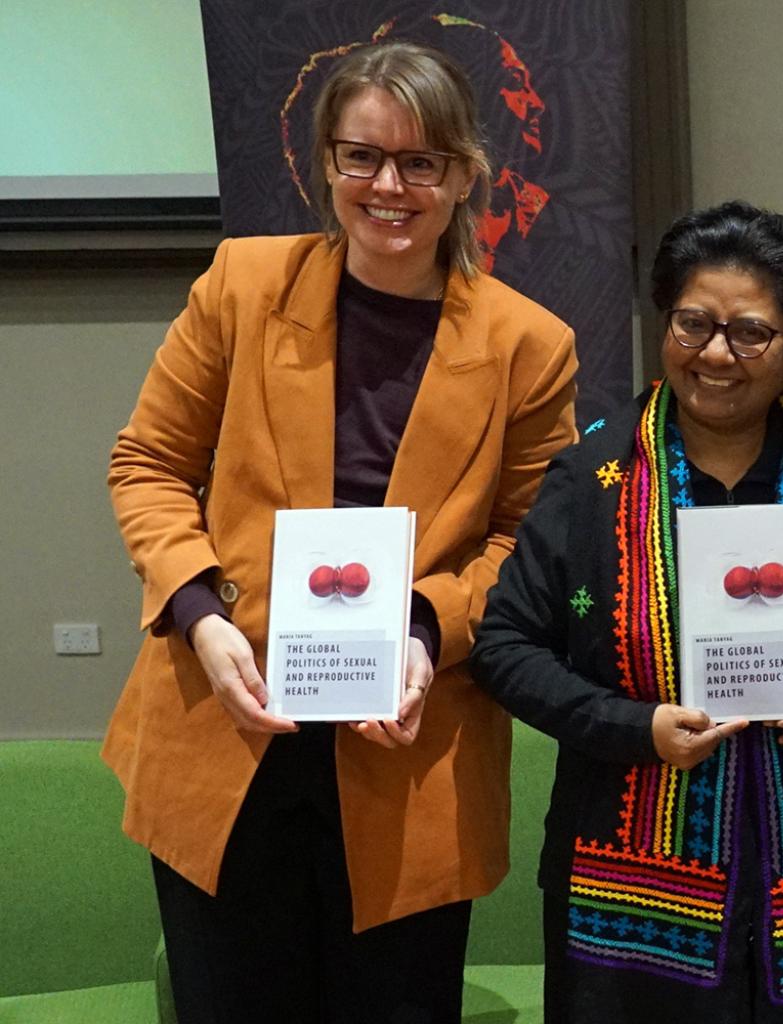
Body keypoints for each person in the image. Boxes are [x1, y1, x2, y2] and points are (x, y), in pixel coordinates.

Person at [104, 40, 578, 1023]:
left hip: (405, 746)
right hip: (229, 724)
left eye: (420, 162)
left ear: (462, 175)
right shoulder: (240, 285)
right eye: (362, 156)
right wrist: (200, 612)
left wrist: (422, 628)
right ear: (324, 162)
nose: (388, 186)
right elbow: (148, 466)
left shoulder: (528, 346)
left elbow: (525, 544)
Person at [470, 201, 783, 1023]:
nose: (716, 354)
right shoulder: (597, 472)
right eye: (693, 323)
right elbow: (502, 644)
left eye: (752, 333)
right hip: (628, 884)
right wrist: (633, 725)